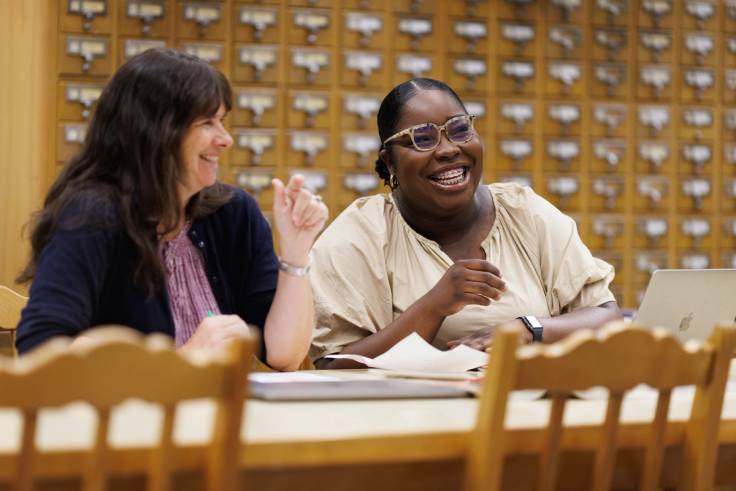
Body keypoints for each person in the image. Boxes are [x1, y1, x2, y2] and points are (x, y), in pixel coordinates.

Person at [15, 48, 327, 371]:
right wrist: (182, 362)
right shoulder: (92, 216)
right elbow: (42, 349)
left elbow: (284, 356)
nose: (226, 139)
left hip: (214, 418)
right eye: (208, 122)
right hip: (123, 419)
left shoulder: (234, 214)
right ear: (157, 133)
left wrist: (295, 250)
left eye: (222, 122)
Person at [310, 78, 621, 368]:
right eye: (422, 138)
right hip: (411, 420)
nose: (448, 149)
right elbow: (332, 365)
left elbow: (607, 318)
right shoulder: (359, 234)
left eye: (460, 129)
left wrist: (526, 329)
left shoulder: (525, 212)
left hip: (529, 409)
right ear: (390, 161)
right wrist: (434, 306)